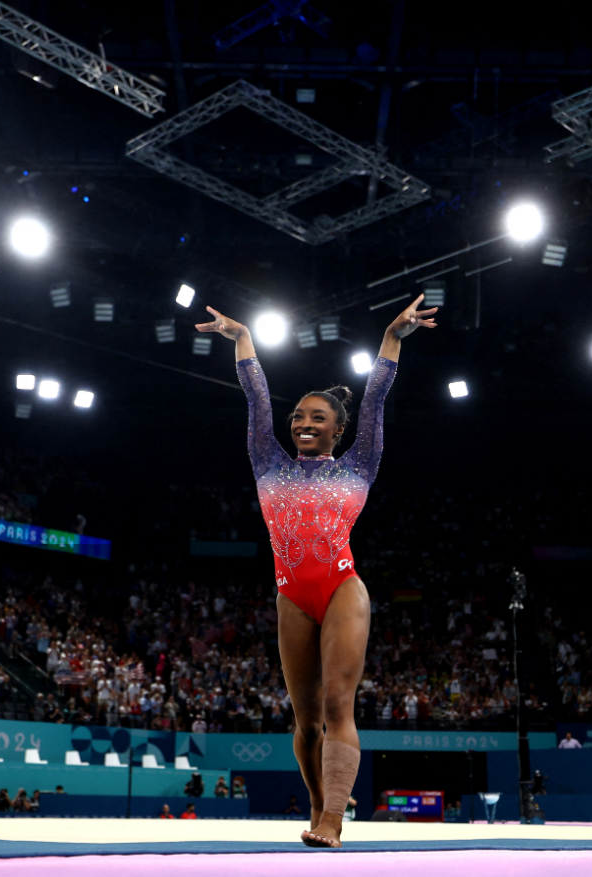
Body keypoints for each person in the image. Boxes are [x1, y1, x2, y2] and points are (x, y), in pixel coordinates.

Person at [196, 293, 437, 849]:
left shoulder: (361, 463)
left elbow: (376, 399)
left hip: (342, 589)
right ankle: (317, 801)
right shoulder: (266, 460)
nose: (304, 423)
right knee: (305, 721)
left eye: (318, 418)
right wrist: (241, 338)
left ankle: (334, 818)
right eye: (300, 416)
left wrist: (393, 337)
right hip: (291, 596)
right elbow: (256, 399)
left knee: (336, 703)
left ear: (338, 429)